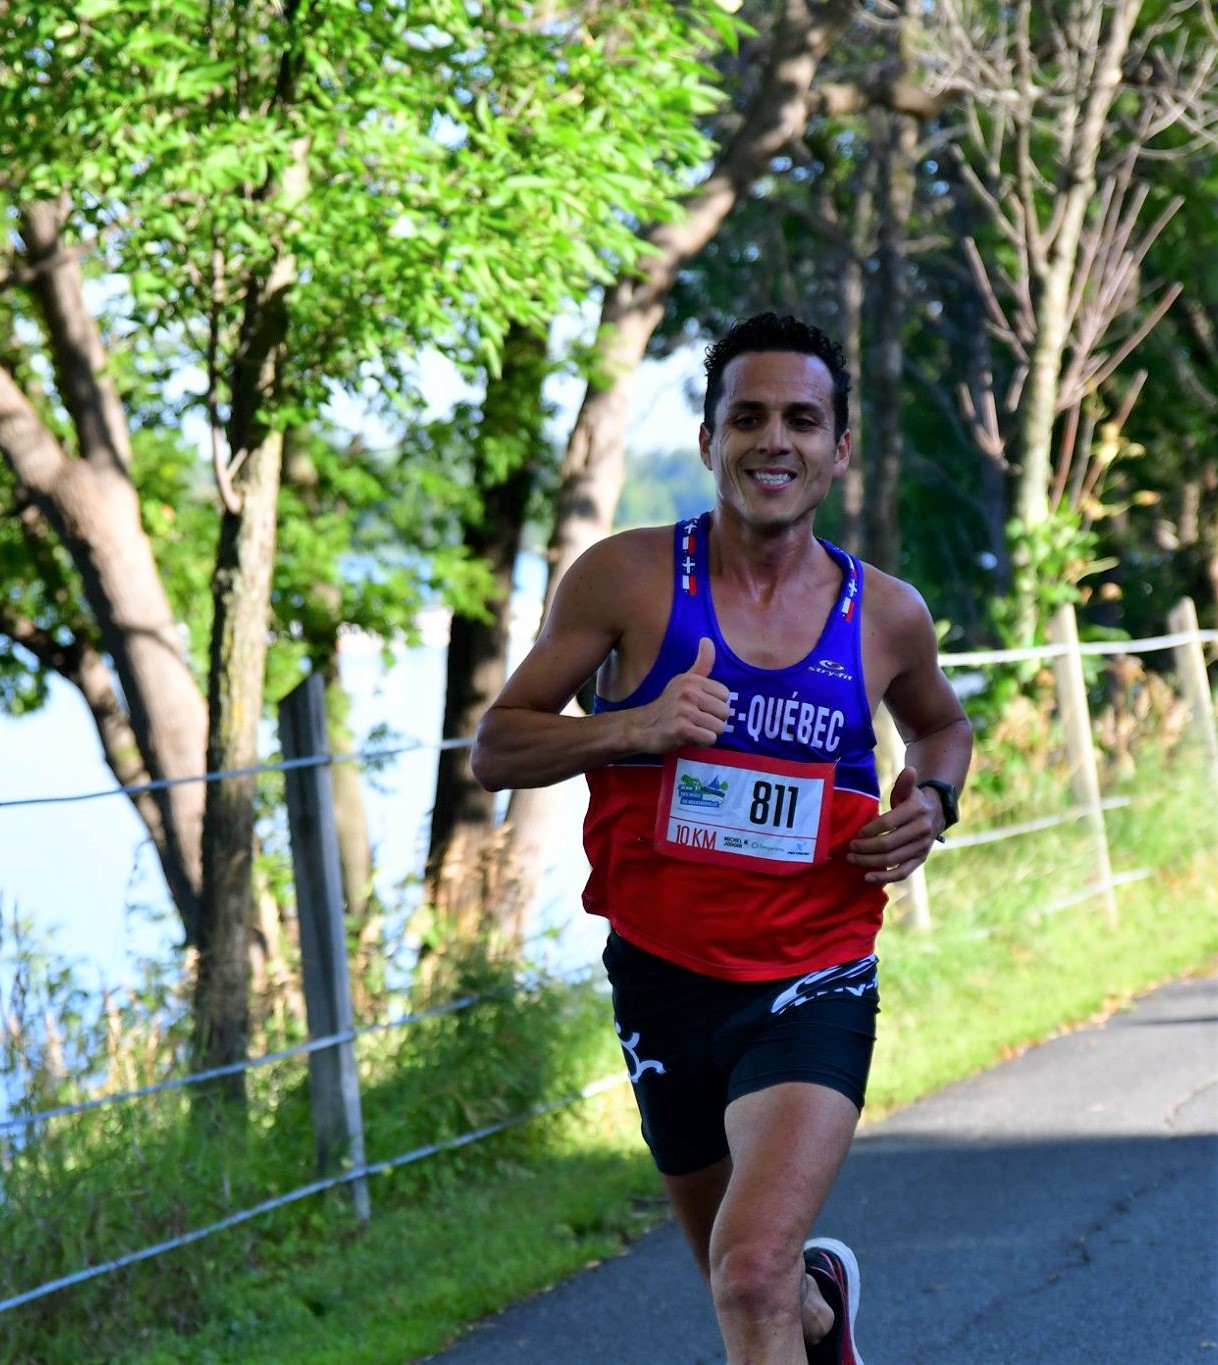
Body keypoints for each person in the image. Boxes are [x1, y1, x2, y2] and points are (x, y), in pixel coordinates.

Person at [471, 312, 973, 1364]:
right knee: (749, 1282)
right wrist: (633, 726)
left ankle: (796, 1296)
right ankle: (821, 1308)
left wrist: (932, 803)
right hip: (661, 975)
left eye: (801, 419)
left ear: (840, 448)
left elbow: (942, 726)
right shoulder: (626, 579)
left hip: (812, 973)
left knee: (749, 1274)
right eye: (746, 417)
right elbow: (499, 748)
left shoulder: (885, 614)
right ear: (708, 439)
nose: (772, 441)